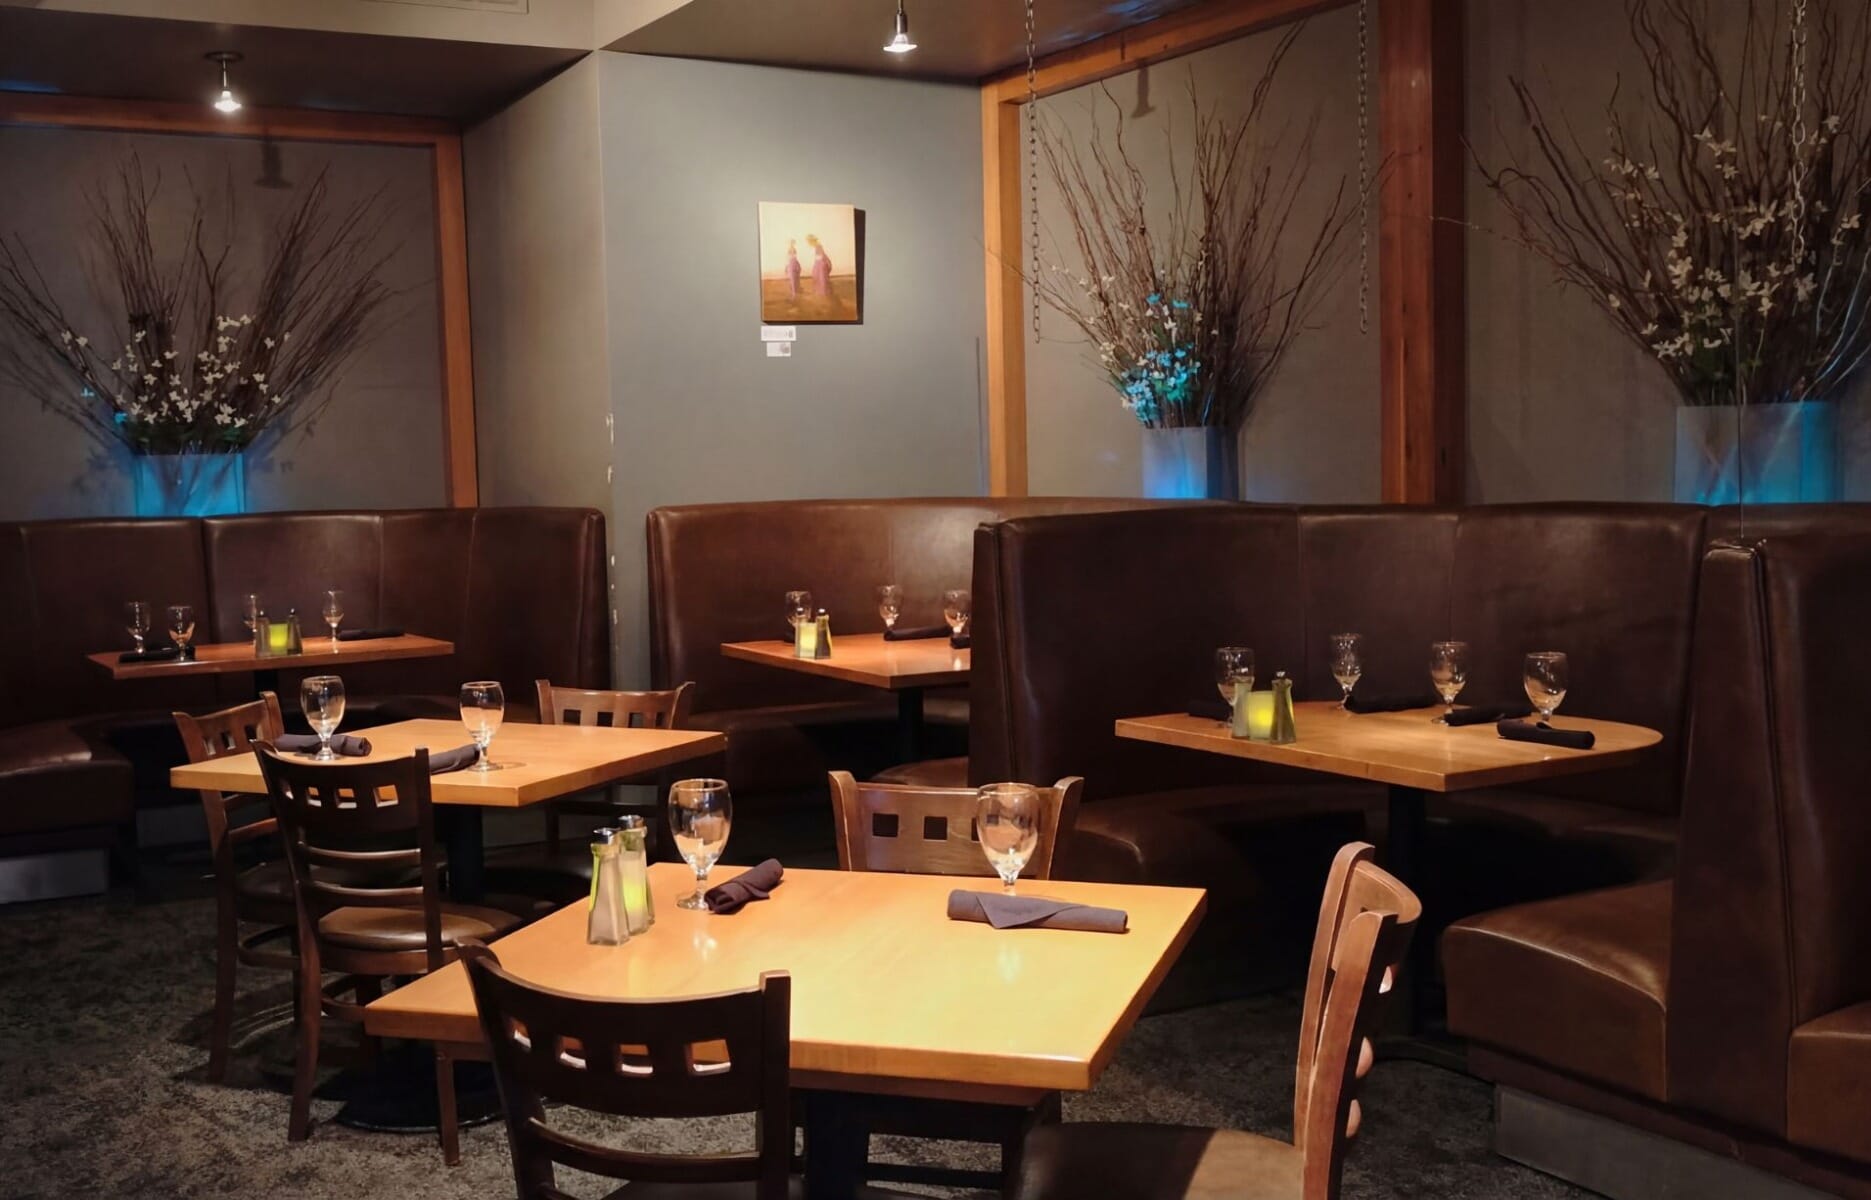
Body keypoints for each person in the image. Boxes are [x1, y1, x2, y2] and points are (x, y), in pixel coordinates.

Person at [807, 233, 834, 302]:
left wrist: (824, 263)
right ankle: (822, 295)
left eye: (810, 242)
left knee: (822, 280)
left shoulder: (818, 246)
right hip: (819, 265)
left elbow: (822, 256)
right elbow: (820, 256)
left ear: (812, 241)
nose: (809, 244)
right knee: (819, 279)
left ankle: (824, 296)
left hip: (821, 265)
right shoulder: (817, 246)